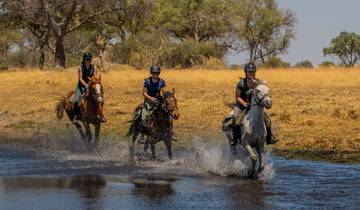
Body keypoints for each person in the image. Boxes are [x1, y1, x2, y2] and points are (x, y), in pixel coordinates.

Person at [231, 62, 277, 147]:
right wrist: (244, 104)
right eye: (249, 72)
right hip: (241, 105)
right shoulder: (241, 83)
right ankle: (235, 139)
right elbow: (237, 97)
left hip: (254, 105)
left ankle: (269, 138)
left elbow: (262, 93)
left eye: (253, 72)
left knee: (268, 120)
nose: (251, 73)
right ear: (246, 72)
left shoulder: (258, 82)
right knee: (235, 118)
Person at [73, 52, 106, 123]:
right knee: (76, 100)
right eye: (87, 59)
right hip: (81, 86)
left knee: (99, 98)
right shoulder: (80, 67)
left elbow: (94, 77)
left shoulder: (94, 67)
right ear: (84, 60)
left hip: (91, 85)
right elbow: (80, 79)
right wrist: (86, 85)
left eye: (89, 60)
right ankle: (76, 116)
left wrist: (92, 84)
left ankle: (101, 115)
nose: (88, 61)